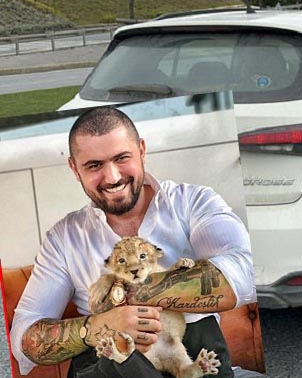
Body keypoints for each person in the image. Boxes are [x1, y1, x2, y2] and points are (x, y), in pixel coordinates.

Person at [10, 106, 256, 377]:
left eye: (122, 158)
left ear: (141, 150)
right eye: (94, 165)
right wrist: (98, 326)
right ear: (74, 168)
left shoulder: (192, 203)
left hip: (191, 355)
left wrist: (127, 293)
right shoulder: (64, 237)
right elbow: (24, 338)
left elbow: (245, 270)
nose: (113, 177)